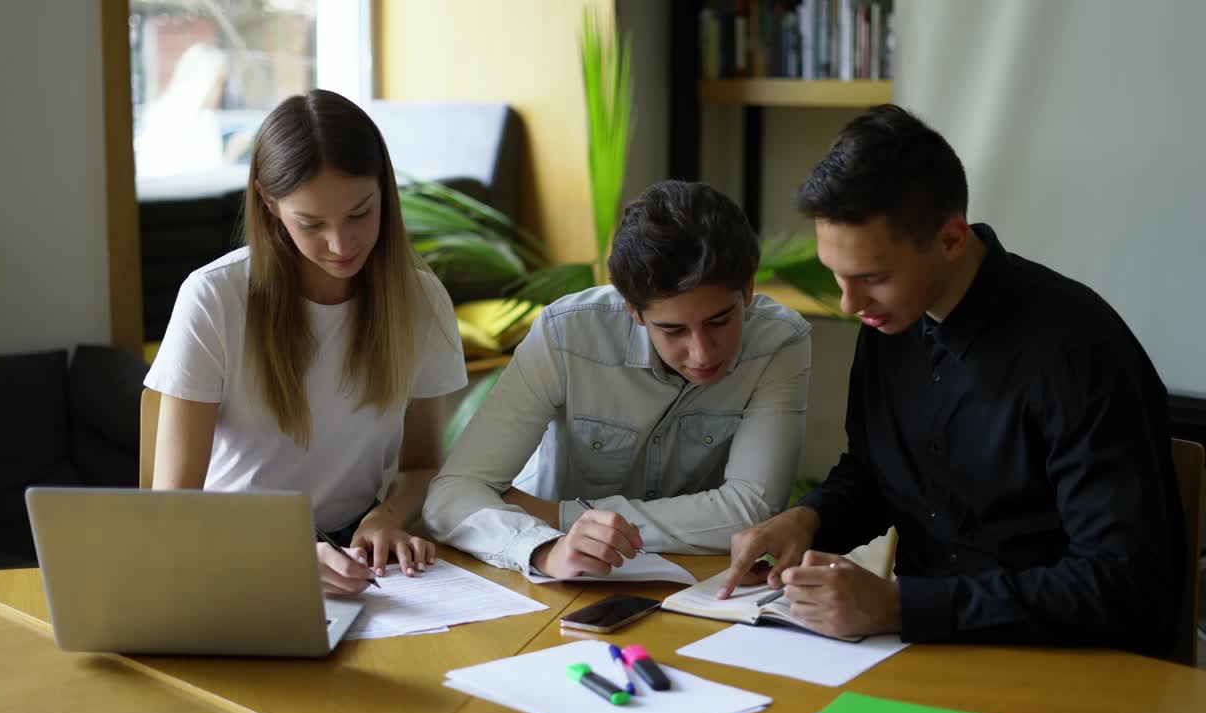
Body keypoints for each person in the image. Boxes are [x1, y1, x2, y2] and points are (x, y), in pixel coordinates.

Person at [718, 104, 1184, 656]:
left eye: (873, 278)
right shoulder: (891, 321)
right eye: (836, 276)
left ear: (951, 239)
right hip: (916, 649)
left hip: (1070, 660)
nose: (849, 303)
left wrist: (900, 605)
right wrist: (808, 518)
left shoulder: (1076, 351)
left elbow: (1124, 583)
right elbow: (875, 473)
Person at [144, 89, 467, 596]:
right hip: (232, 554)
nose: (341, 245)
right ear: (270, 205)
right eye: (312, 224)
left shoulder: (419, 300)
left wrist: (385, 520)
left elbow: (423, 465)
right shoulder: (214, 298)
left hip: (360, 558)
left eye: (360, 214)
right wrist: (283, 552)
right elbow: (173, 504)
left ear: (384, 189)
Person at [423, 180, 812, 579]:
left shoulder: (780, 341)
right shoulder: (567, 334)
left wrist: (560, 515)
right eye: (673, 331)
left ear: (747, 291)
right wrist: (543, 548)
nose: (702, 353)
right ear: (634, 311)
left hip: (696, 581)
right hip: (555, 577)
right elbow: (452, 495)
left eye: (719, 321)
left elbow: (752, 512)